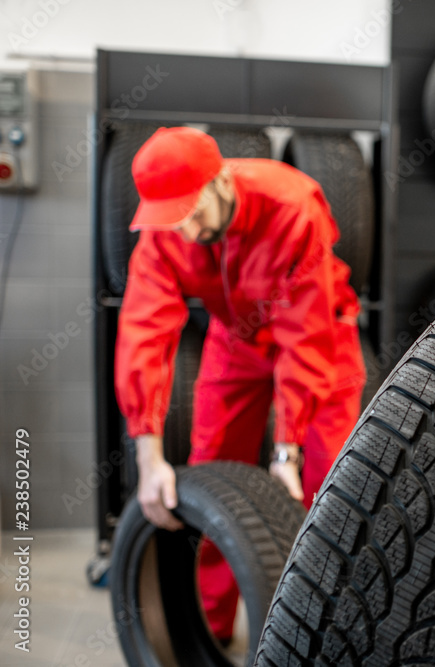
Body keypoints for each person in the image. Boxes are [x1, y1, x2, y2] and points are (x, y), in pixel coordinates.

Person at [115, 126, 366, 643]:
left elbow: (306, 339)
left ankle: (328, 634)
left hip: (320, 335)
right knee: (214, 477)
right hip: (237, 337)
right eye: (171, 221)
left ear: (220, 181)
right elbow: (144, 333)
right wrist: (148, 453)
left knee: (328, 487)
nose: (183, 232)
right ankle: (211, 626)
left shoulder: (291, 205)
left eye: (191, 215)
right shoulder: (165, 228)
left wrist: (285, 453)